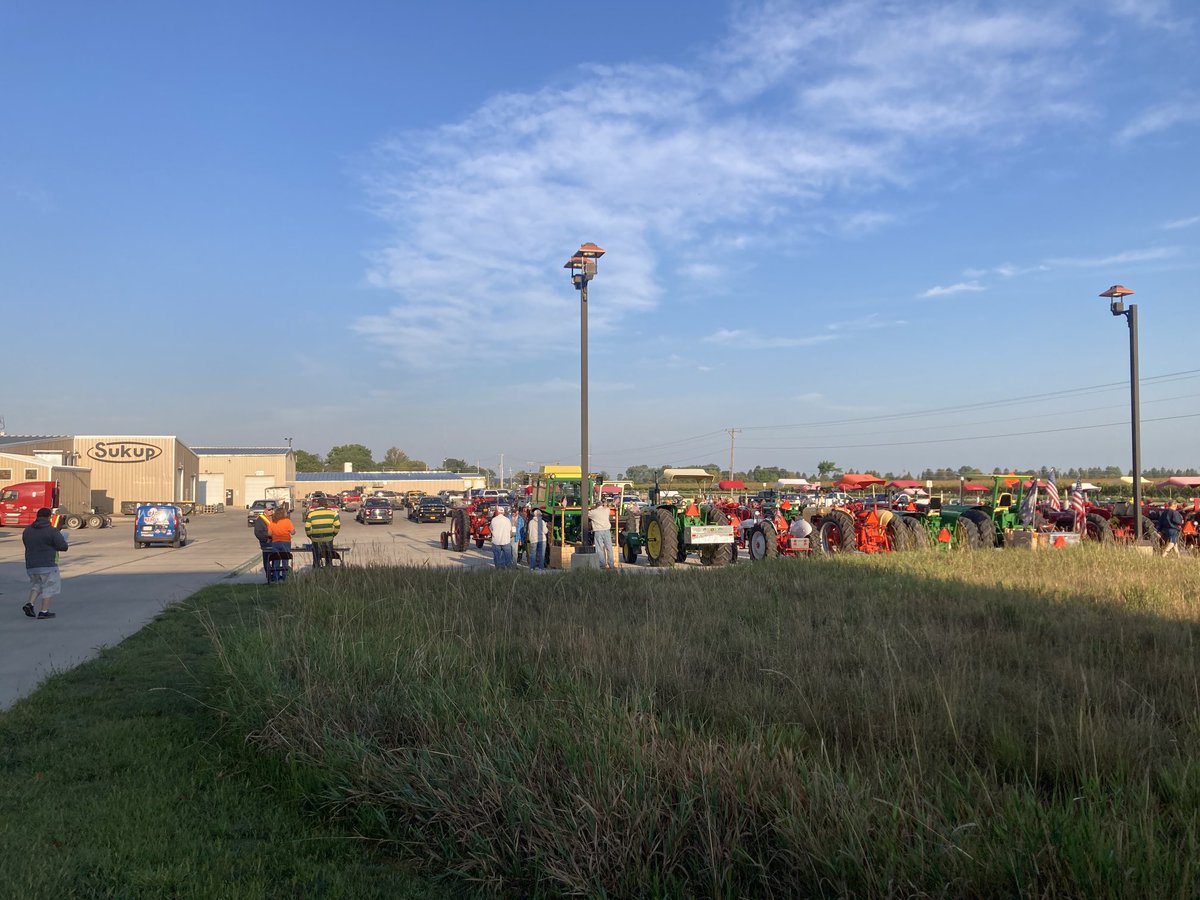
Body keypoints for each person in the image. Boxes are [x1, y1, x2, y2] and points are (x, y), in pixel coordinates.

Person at [22, 508, 69, 619]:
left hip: (31, 565)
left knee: (37, 584)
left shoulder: (27, 530)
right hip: (48, 564)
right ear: (49, 517)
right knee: (49, 587)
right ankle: (44, 611)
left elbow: (26, 543)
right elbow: (63, 546)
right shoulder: (52, 531)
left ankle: (30, 604)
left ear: (37, 516)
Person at [304, 497, 341, 568]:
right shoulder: (333, 513)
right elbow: (337, 526)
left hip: (316, 539)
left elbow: (307, 527)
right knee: (328, 558)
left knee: (316, 558)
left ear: (318, 504)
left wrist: (310, 536)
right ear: (326, 504)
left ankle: (316, 571)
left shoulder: (311, 514)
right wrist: (333, 534)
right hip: (328, 538)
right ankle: (328, 571)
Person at [266, 505, 296, 582]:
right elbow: (293, 532)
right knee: (285, 559)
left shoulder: (272, 522)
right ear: (283, 514)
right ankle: (285, 577)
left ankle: (276, 578)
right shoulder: (287, 521)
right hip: (286, 542)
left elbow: (269, 534)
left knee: (276, 560)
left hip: (275, 542)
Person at [589, 501, 614, 568]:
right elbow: (607, 507)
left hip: (598, 531)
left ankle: (602, 563)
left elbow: (587, 514)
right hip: (607, 531)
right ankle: (611, 564)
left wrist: (592, 508)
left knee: (599, 548)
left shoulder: (593, 512)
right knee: (609, 548)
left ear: (596, 506)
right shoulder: (606, 510)